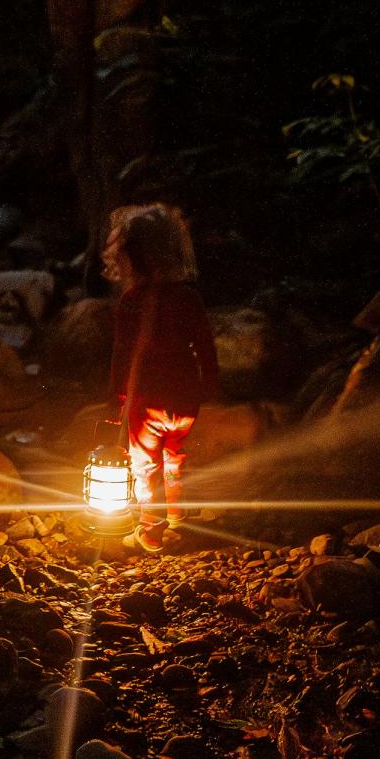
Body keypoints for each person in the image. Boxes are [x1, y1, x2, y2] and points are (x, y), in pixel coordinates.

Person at [104, 203, 220, 550]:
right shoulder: (188, 297)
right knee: (176, 456)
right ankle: (177, 516)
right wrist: (209, 384)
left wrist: (117, 398)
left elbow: (123, 354)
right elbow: (205, 345)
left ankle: (152, 530)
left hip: (148, 400)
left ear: (130, 257)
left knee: (145, 465)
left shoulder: (132, 300)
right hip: (185, 396)